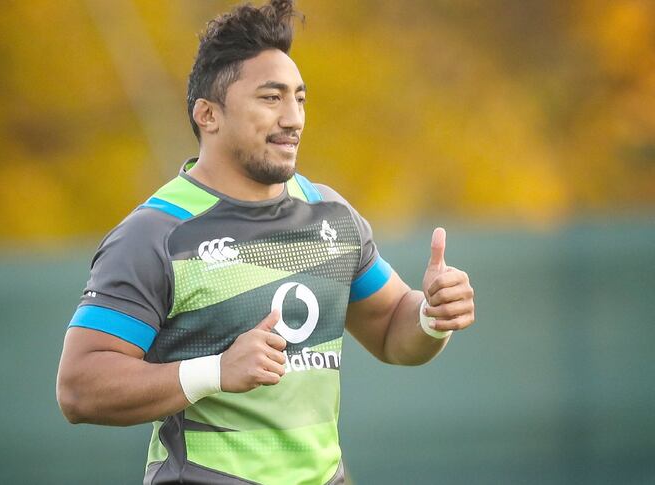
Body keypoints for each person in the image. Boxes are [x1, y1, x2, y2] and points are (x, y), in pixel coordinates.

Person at [56, 1, 476, 483]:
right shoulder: (157, 234)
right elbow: (80, 388)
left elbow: (390, 331)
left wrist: (431, 315)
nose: (293, 118)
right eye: (271, 98)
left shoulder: (330, 215)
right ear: (208, 114)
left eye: (299, 98)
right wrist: (215, 371)